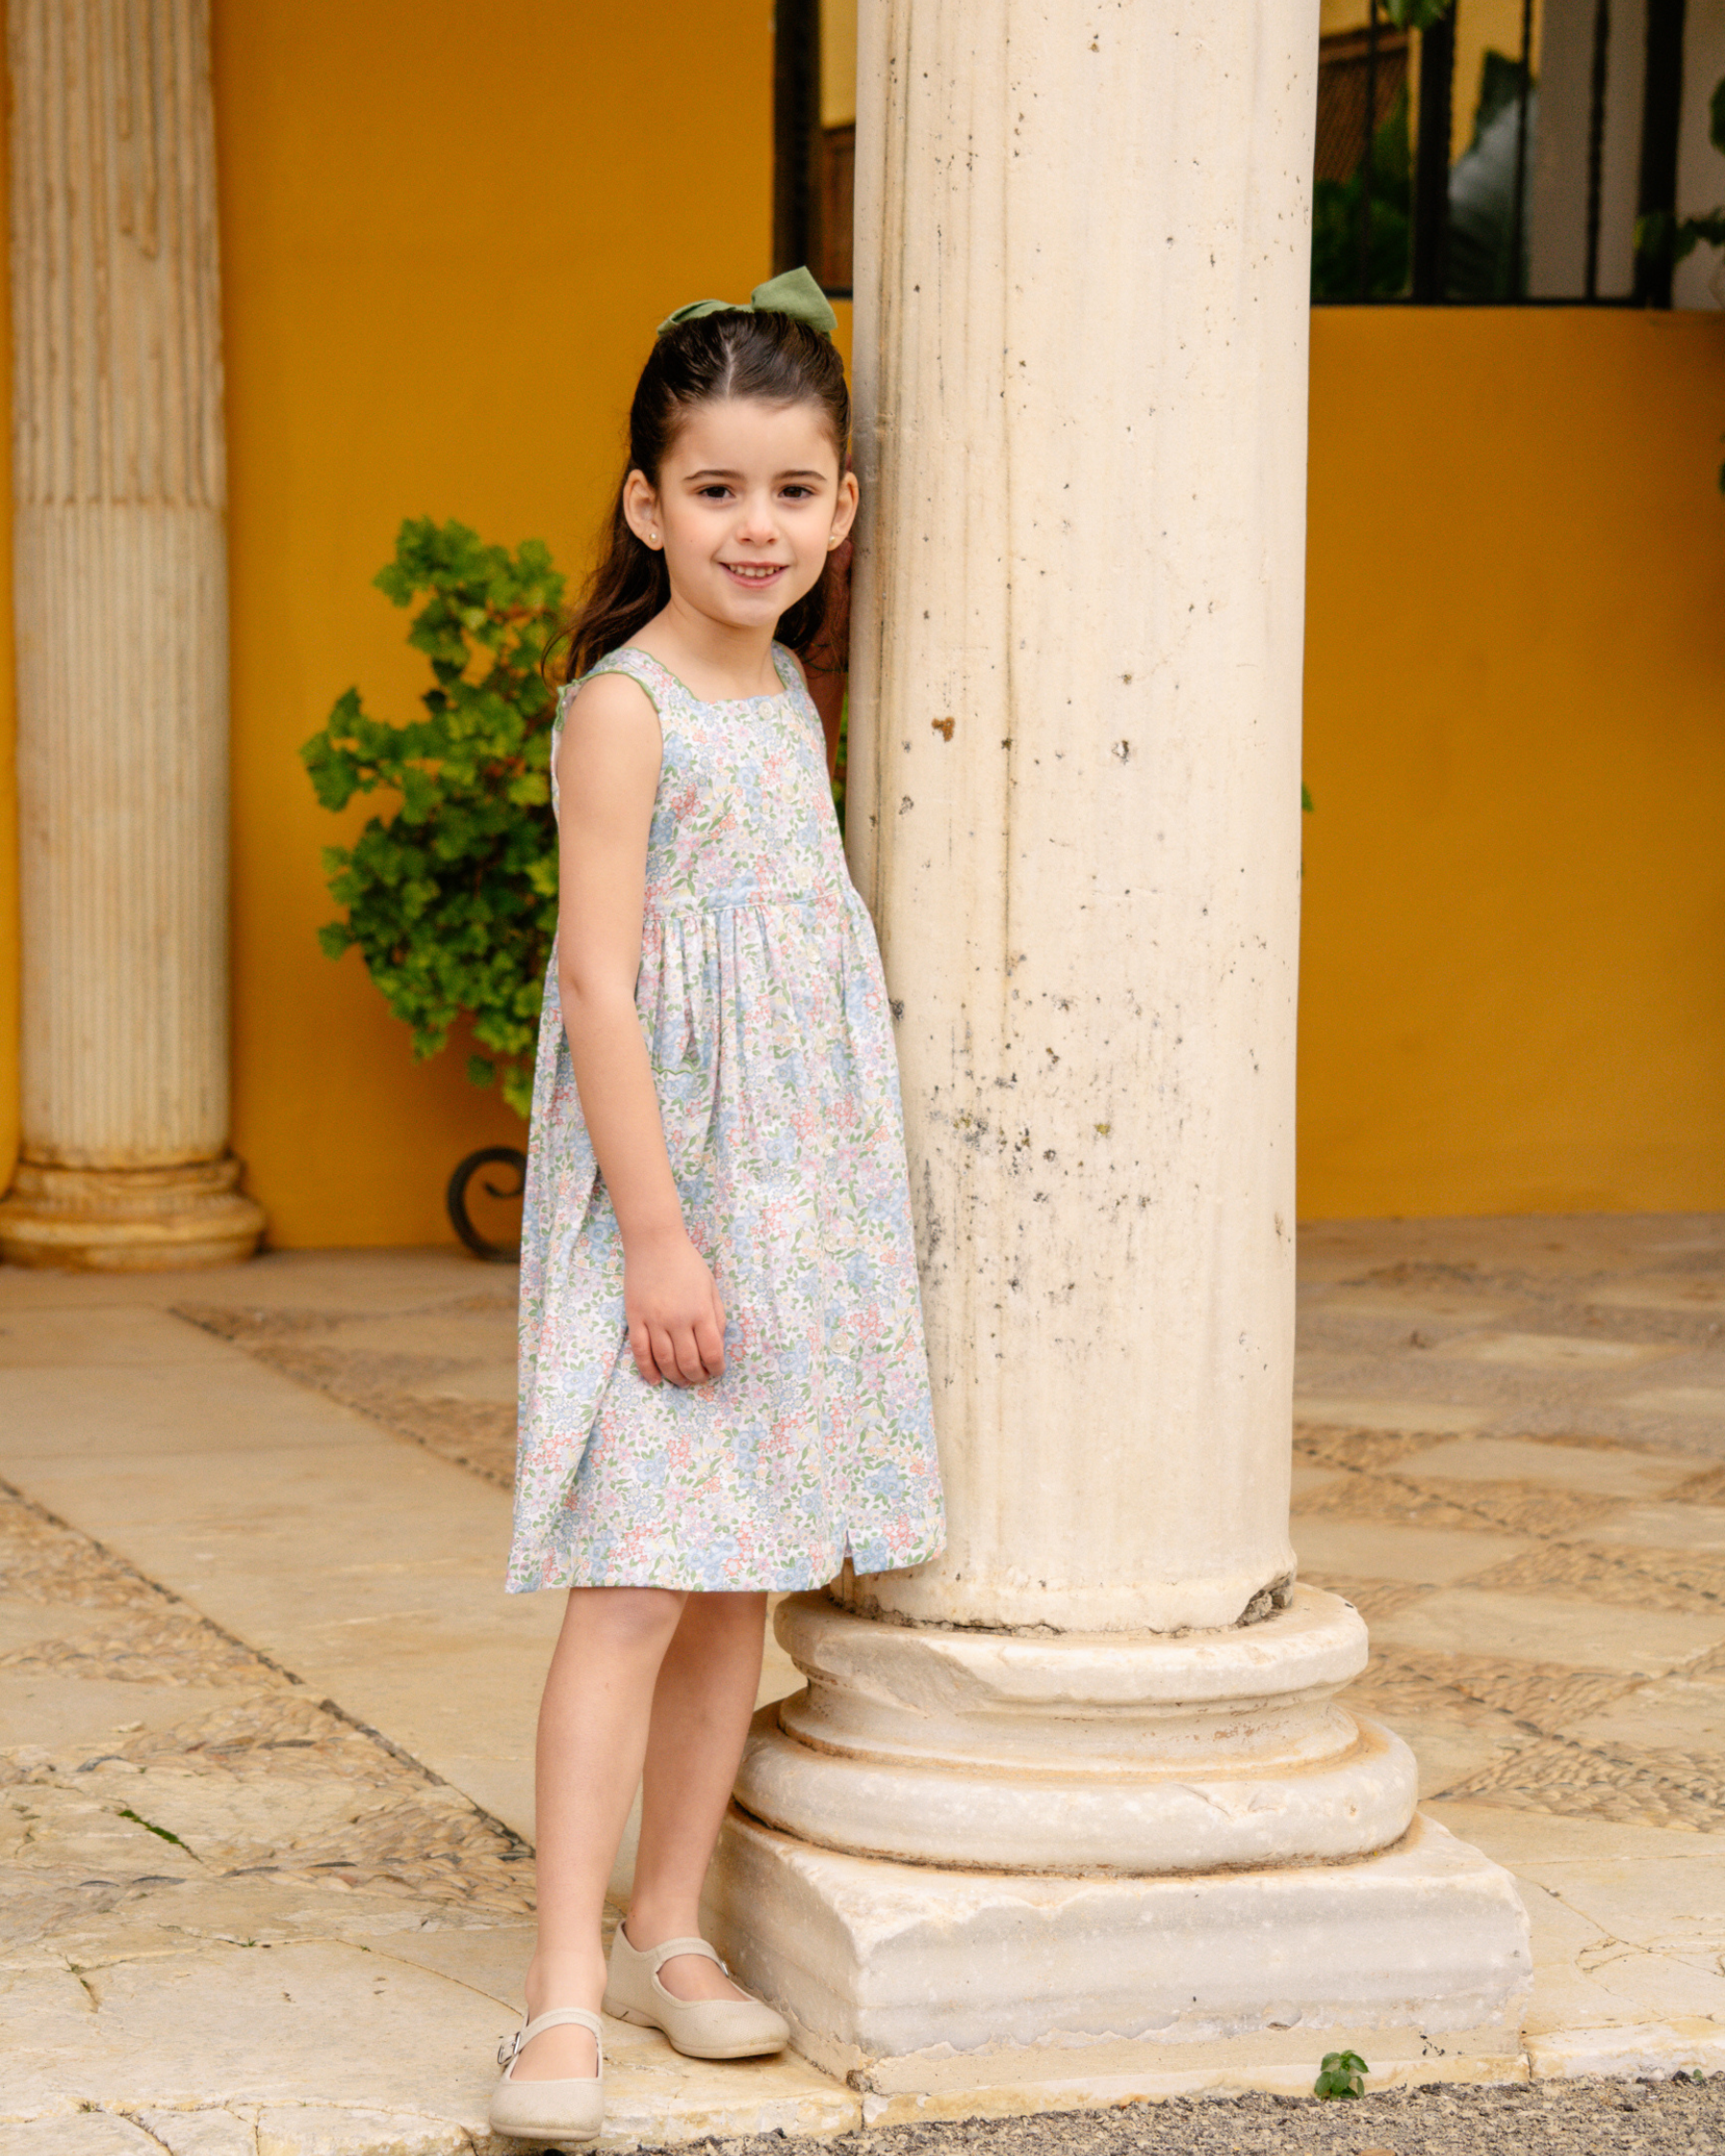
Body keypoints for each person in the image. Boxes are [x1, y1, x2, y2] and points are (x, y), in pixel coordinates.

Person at [490, 268, 946, 2145]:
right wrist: (660, 1237)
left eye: (791, 491)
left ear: (843, 510)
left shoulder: (793, 703)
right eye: (717, 489)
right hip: (675, 1203)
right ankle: (561, 1997)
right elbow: (604, 989)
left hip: (800, 1207)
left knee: (736, 1584)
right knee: (631, 1584)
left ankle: (676, 1925)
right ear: (645, 503)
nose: (755, 527)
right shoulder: (631, 712)